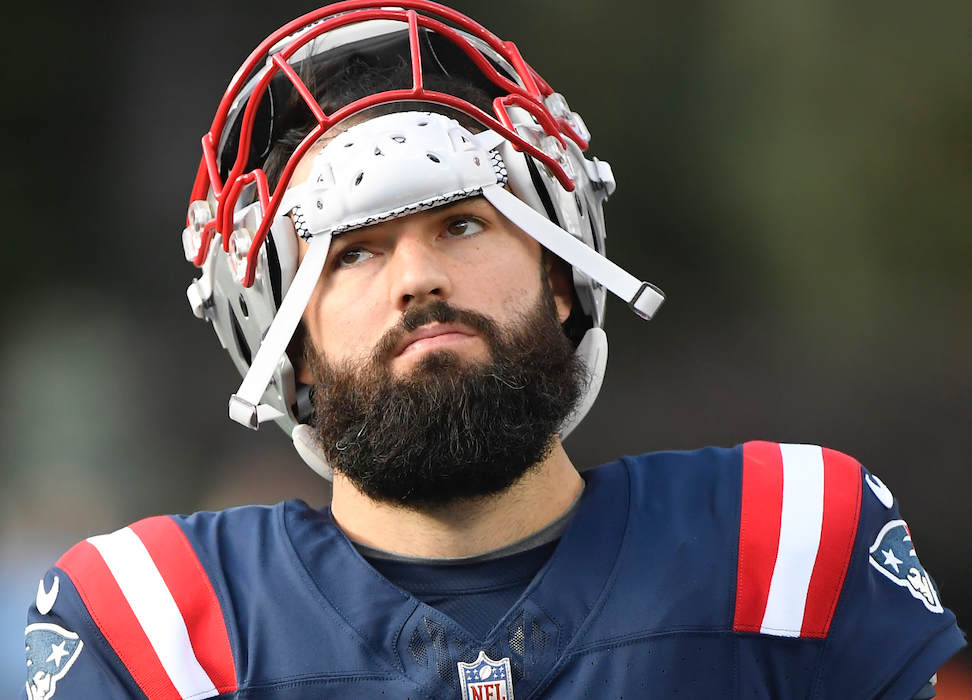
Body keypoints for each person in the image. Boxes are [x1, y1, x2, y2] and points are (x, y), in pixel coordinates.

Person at [22, 3, 964, 699]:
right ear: (290, 346)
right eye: (352, 252)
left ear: (563, 276)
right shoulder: (154, 627)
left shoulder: (789, 542)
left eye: (463, 226)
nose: (417, 280)